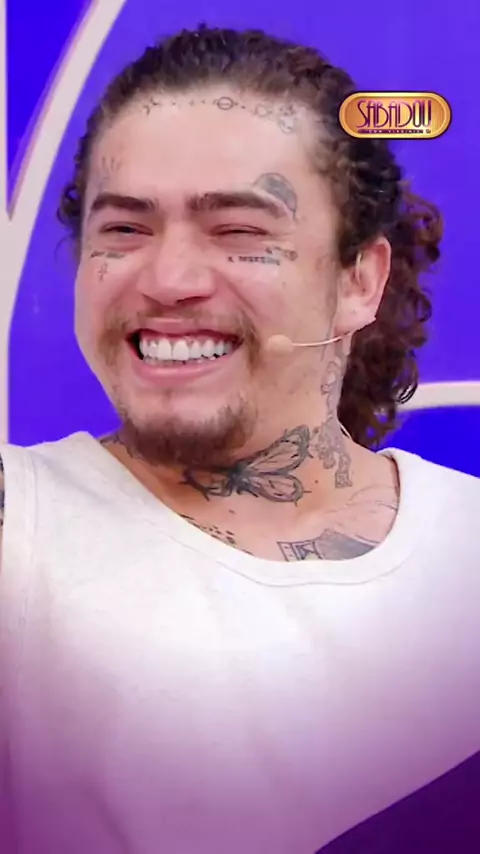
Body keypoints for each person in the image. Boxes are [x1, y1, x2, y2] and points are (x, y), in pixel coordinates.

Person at [0, 24, 478, 854]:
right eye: (125, 229)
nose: (169, 280)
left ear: (359, 279)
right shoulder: (22, 527)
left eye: (238, 231)